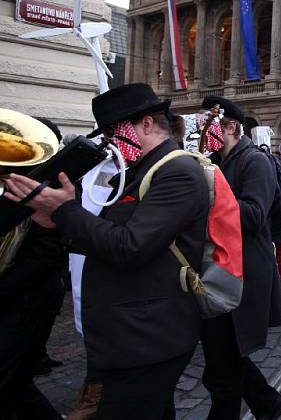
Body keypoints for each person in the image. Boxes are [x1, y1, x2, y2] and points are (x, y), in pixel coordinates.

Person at [3, 83, 209, 419]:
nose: (111, 141)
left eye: (115, 130)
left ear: (146, 123)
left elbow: (130, 246)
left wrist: (65, 211)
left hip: (148, 336)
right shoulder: (139, 169)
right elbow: (107, 233)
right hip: (130, 333)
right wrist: (58, 222)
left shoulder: (177, 171)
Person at [199, 95, 281, 420]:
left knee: (224, 358)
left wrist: (208, 193)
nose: (204, 133)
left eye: (210, 126)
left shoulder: (255, 161)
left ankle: (259, 404)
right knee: (223, 353)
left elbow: (253, 214)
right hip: (218, 268)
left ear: (231, 126)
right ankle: (267, 402)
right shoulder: (217, 161)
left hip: (242, 272)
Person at [0, 114, 65, 420]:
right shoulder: (11, 184)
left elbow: (45, 254)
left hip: (29, 301)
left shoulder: (49, 190)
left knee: (12, 386)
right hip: (15, 298)